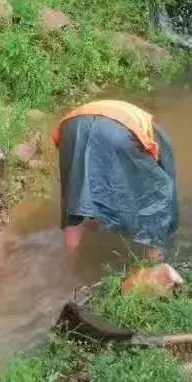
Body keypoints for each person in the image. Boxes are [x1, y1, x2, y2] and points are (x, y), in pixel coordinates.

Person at [52, 99, 179, 262]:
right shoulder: (158, 133)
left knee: (75, 199)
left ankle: (70, 263)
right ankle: (154, 260)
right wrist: (168, 224)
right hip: (114, 131)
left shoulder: (136, 117)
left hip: (70, 128)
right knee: (157, 192)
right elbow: (165, 182)